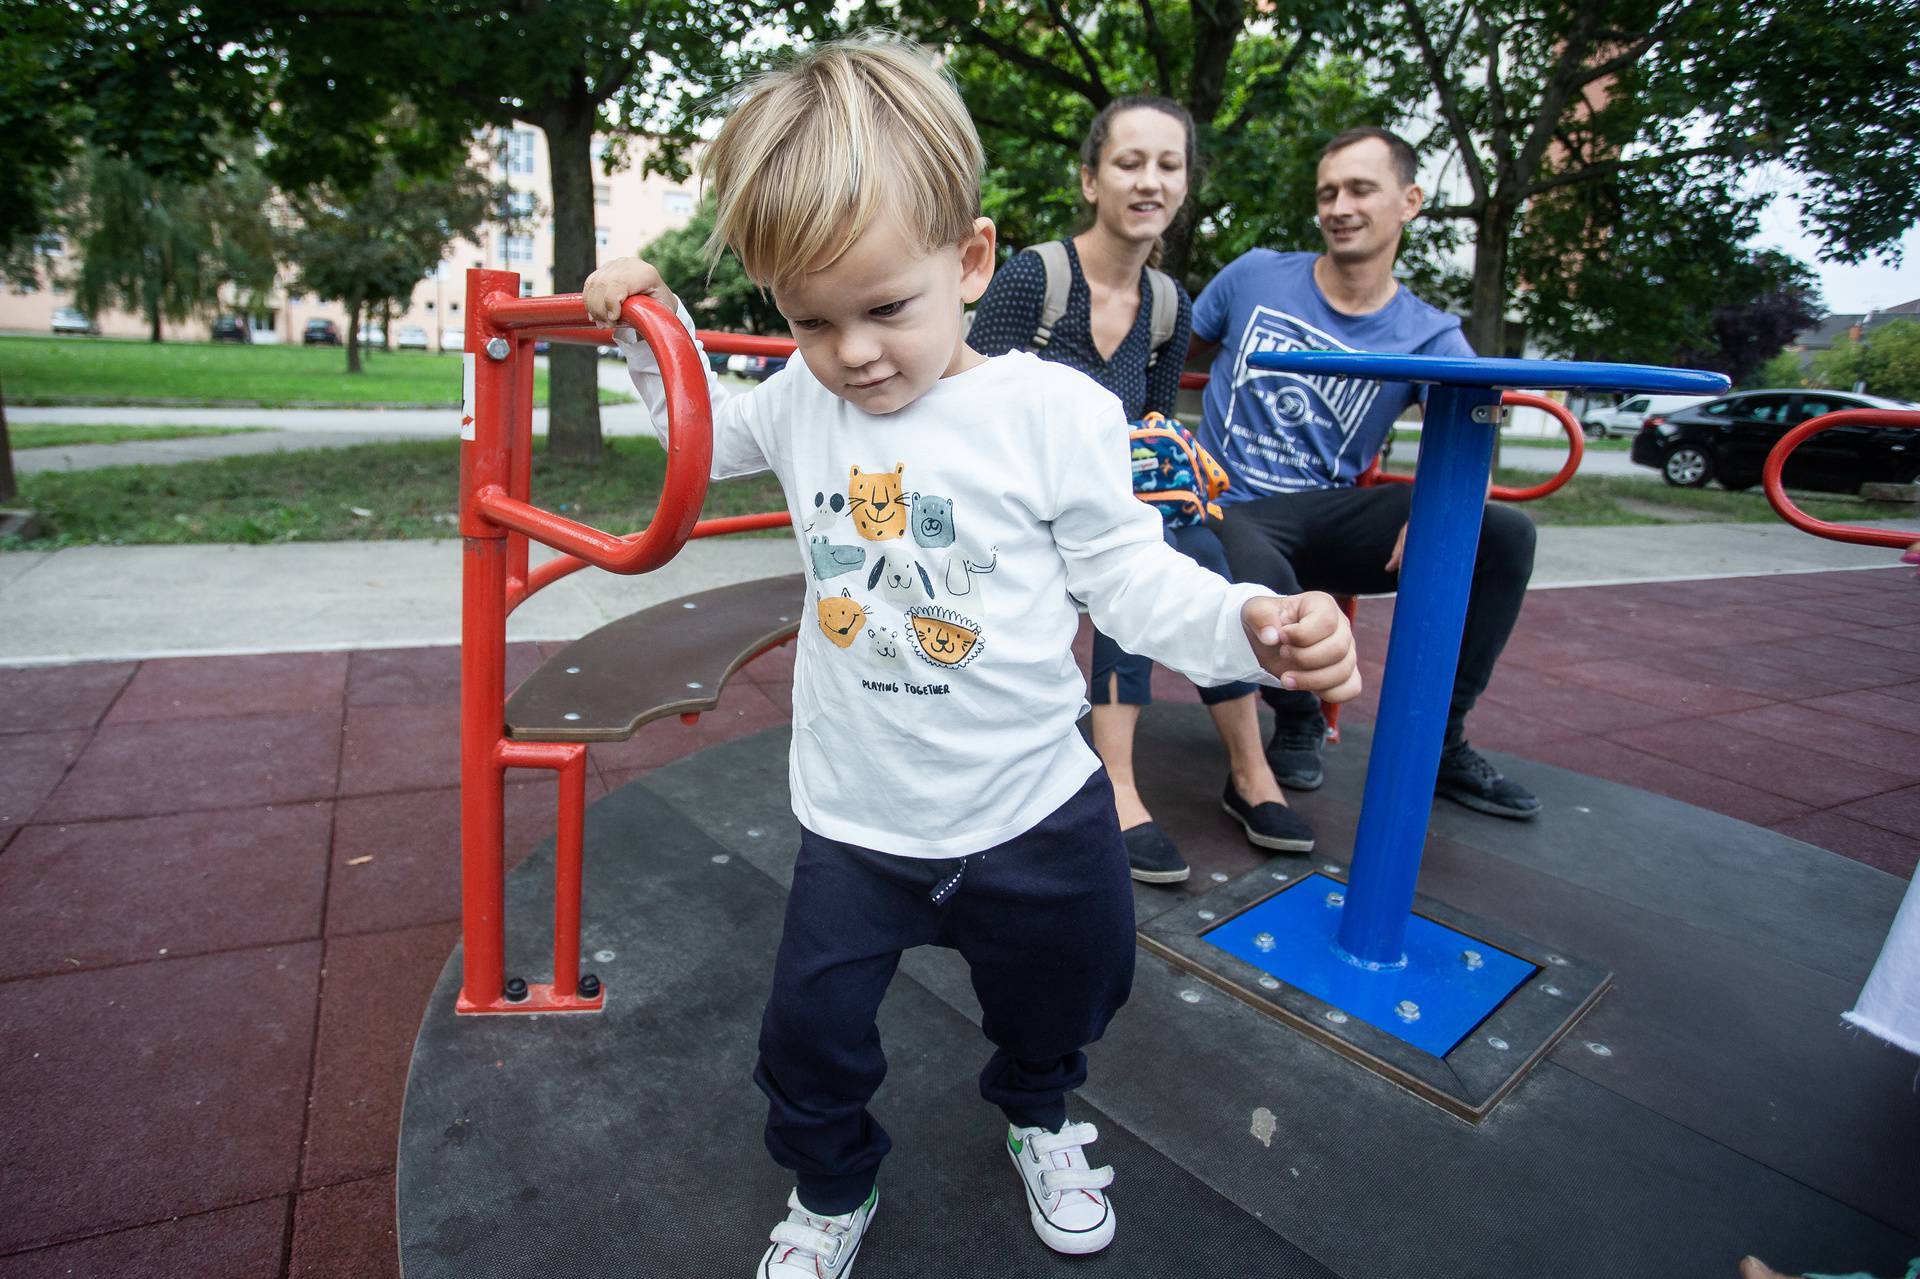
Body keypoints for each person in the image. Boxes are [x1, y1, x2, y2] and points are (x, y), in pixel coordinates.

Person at [582, 38, 1360, 1278]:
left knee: (1076, 988)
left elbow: (1128, 579)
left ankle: (1040, 1110)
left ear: (972, 258)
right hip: (859, 819)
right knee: (809, 1036)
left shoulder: (1053, 414)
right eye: (810, 319)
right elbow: (699, 431)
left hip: (1030, 810)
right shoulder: (801, 403)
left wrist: (1248, 624)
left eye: (887, 306)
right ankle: (832, 1184)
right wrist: (647, 320)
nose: (855, 353)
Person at [968, 96, 1308, 886]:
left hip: (1115, 504)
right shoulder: (1037, 277)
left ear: (1186, 184)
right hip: (1023, 505)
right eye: (1129, 163)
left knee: (1201, 554)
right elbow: (970, 397)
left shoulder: (1168, 303)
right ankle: (1117, 783)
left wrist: (1168, 460)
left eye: (1168, 164)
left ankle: (1250, 770)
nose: (1149, 180)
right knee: (1136, 550)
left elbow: (1154, 414)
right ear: (1091, 180)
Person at [1192, 125, 1542, 819]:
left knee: (1505, 535)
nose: (1340, 205)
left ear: (1409, 202)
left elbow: (1474, 428)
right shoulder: (1256, 275)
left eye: (1360, 189)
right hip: (1225, 499)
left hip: (1325, 513)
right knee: (1245, 548)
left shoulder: (1428, 333)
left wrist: (1445, 508)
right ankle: (1297, 712)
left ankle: (1441, 743)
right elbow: (1173, 350)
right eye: (1328, 192)